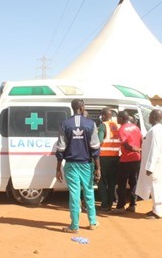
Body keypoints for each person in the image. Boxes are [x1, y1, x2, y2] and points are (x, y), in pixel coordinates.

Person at [55, 99, 101, 233]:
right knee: (89, 192)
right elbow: (95, 148)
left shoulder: (64, 124)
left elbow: (61, 148)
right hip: (86, 164)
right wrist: (98, 167)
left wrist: (58, 168)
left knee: (74, 194)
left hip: (70, 164)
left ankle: (74, 225)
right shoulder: (91, 124)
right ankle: (93, 222)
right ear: (82, 107)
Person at [136, 109, 162, 219]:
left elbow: (154, 149)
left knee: (156, 187)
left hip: (156, 165)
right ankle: (156, 210)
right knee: (155, 187)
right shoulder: (157, 129)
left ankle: (158, 212)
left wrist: (150, 166)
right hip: (157, 163)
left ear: (155, 117)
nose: (149, 117)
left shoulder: (156, 131)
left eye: (150, 115)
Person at [114, 111, 142, 213]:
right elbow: (141, 140)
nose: (116, 120)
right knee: (133, 182)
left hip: (126, 159)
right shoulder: (136, 127)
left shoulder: (121, 129)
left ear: (121, 118)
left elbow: (126, 145)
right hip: (136, 159)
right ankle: (132, 205)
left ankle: (120, 206)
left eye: (117, 118)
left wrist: (134, 149)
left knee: (121, 183)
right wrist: (139, 150)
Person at [97, 107, 121, 211]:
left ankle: (105, 204)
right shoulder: (117, 125)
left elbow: (99, 141)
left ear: (103, 115)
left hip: (104, 157)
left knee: (101, 180)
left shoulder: (103, 126)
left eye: (102, 115)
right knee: (112, 182)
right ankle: (111, 203)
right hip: (115, 157)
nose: (101, 117)